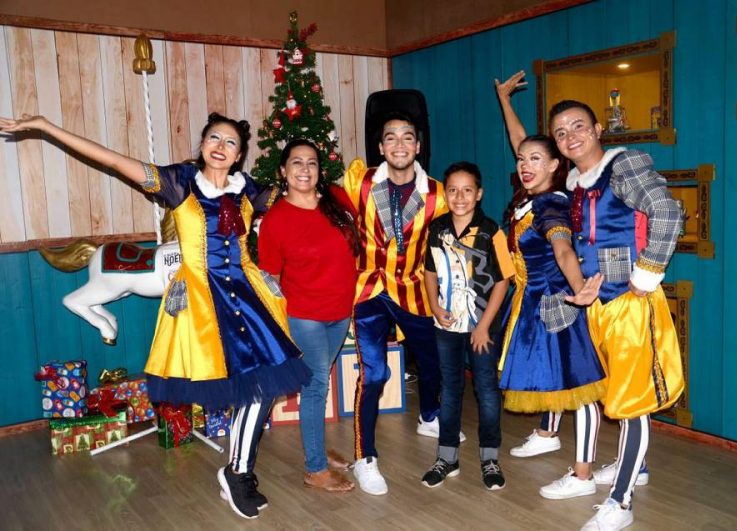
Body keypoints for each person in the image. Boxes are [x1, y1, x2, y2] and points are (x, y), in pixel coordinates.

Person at [0, 112, 311, 520]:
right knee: (243, 386)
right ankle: (238, 471)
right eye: (213, 137)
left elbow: (301, 192)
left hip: (249, 298)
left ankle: (237, 469)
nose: (220, 145)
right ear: (202, 146)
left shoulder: (247, 191)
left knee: (265, 386)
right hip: (202, 302)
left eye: (230, 142)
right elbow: (112, 160)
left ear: (238, 156)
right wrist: (46, 127)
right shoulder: (179, 182)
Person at [498, 72, 685, 530]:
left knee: (631, 401)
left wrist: (647, 274)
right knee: (610, 392)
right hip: (594, 305)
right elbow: (526, 148)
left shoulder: (624, 164)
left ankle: (619, 503)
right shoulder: (577, 183)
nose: (569, 136)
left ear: (599, 129)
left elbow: (668, 210)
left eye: (578, 126)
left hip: (628, 302)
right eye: (561, 132)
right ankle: (633, 468)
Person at [341, 111, 450, 495]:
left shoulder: (437, 193)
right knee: (374, 373)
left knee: (433, 361)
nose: (399, 144)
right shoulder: (361, 181)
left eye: (407, 138)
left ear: (418, 147)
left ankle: (429, 415)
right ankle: (364, 457)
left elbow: (447, 245)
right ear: (380, 146)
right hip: (368, 288)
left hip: (414, 289)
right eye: (391, 137)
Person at [495, 133, 605, 500]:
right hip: (533, 302)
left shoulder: (550, 206)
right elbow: (522, 143)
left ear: (556, 165)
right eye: (521, 159)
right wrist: (506, 100)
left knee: (581, 389)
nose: (525, 165)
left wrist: (580, 292)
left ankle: (583, 474)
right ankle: (547, 435)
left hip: (557, 303)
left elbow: (563, 251)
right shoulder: (531, 201)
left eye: (536, 160)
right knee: (555, 376)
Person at [257, 138, 358, 493]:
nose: (305, 169)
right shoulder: (276, 220)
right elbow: (269, 277)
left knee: (320, 382)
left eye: (311, 162)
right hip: (305, 315)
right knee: (315, 387)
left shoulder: (336, 198)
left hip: (340, 310)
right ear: (283, 171)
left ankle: (317, 445)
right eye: (296, 163)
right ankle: (315, 468)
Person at [420, 162, 514, 491]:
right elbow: (429, 271)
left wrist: (484, 326)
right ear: (445, 193)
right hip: (446, 324)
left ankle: (490, 457)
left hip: (482, 327)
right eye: (453, 190)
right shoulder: (437, 228)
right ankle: (447, 456)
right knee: (449, 390)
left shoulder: (492, 231)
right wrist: (434, 306)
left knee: (486, 391)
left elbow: (503, 282)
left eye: (467, 190)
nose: (460, 196)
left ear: (479, 194)